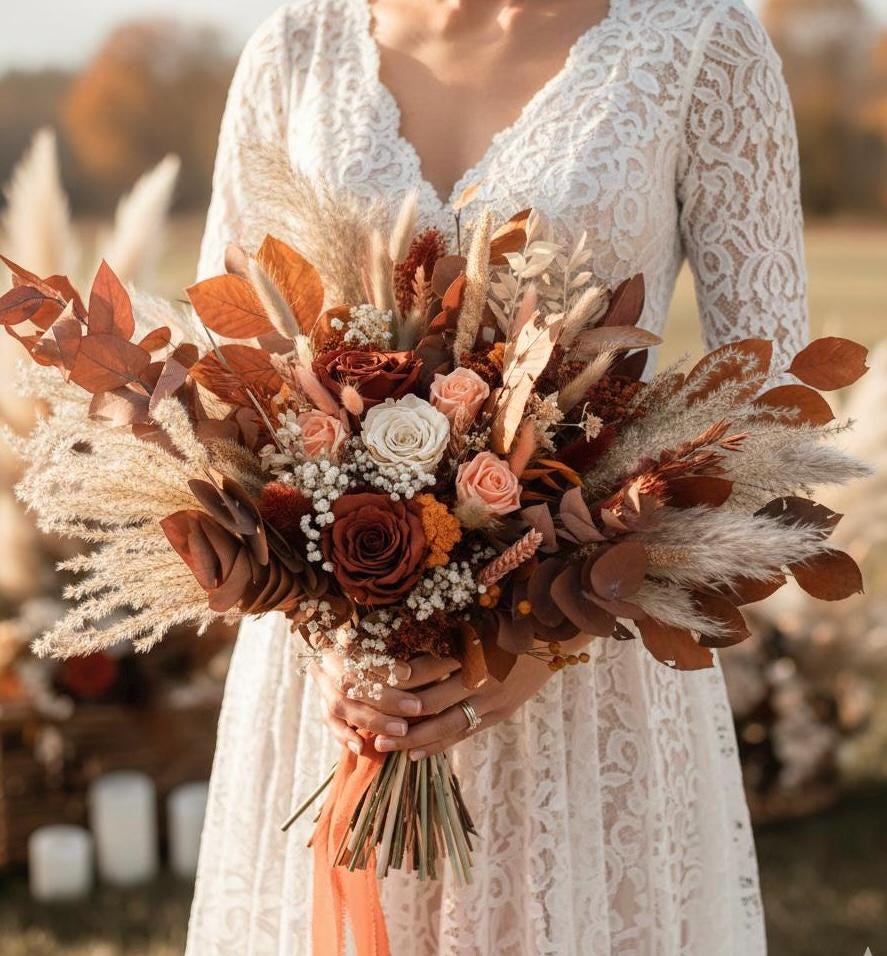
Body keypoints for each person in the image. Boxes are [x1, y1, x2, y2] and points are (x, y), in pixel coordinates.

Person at [186, 1, 807, 952]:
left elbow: (770, 404)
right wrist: (329, 628)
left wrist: (541, 640)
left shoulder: (699, 44)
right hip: (340, 690)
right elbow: (222, 373)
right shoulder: (296, 48)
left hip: (587, 673)